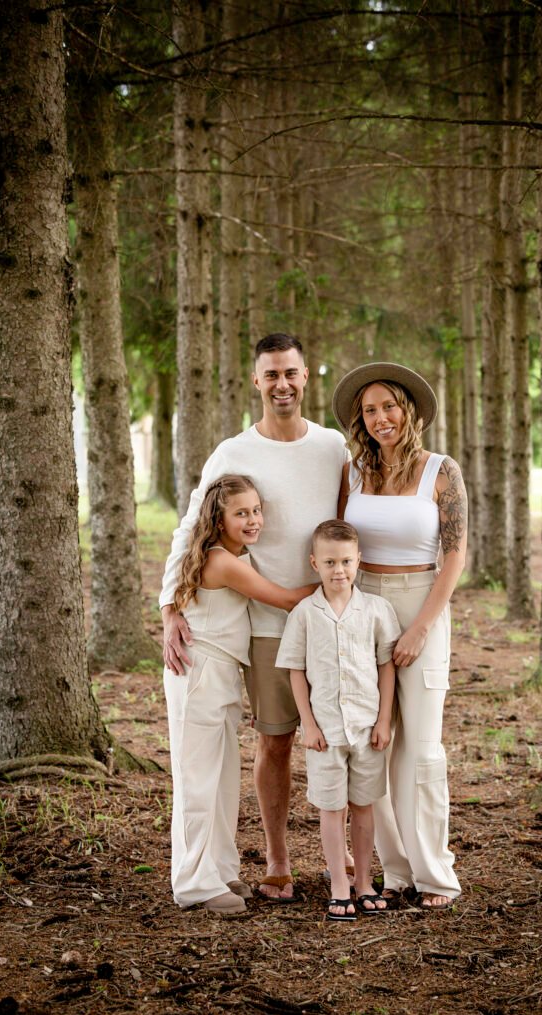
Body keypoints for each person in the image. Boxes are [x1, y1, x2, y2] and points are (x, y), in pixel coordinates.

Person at [160, 334, 347, 902]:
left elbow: (349, 519)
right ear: (256, 380)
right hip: (264, 628)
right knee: (274, 743)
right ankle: (277, 862)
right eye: (271, 375)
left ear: (306, 375)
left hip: (331, 622)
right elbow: (190, 528)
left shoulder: (333, 446)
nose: (282, 384)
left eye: (290, 373)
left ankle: (347, 862)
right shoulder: (232, 452)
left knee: (346, 738)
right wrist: (169, 607)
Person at [333, 362, 467, 910]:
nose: (380, 417)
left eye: (388, 405)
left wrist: (420, 627)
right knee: (373, 741)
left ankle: (435, 873)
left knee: (422, 747)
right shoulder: (352, 473)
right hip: (363, 603)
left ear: (408, 410)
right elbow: (338, 541)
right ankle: (396, 870)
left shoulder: (441, 470)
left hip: (421, 602)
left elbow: (454, 557)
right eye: (369, 410)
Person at [164, 475, 314, 915]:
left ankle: (219, 869)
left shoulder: (233, 556)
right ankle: (193, 883)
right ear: (219, 520)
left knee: (223, 779)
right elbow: (286, 600)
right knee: (198, 782)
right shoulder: (220, 561)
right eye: (241, 513)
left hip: (223, 673)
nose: (253, 520)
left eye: (256, 510)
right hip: (199, 673)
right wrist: (339, 575)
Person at [276, 520, 400, 921]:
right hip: (325, 733)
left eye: (346, 561)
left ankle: (364, 882)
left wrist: (384, 720)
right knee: (331, 808)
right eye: (329, 562)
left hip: (366, 728)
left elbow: (386, 667)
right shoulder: (304, 614)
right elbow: (295, 670)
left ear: (358, 560)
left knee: (363, 806)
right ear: (315, 563)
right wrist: (308, 724)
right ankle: (339, 887)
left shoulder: (377, 610)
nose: (339, 570)